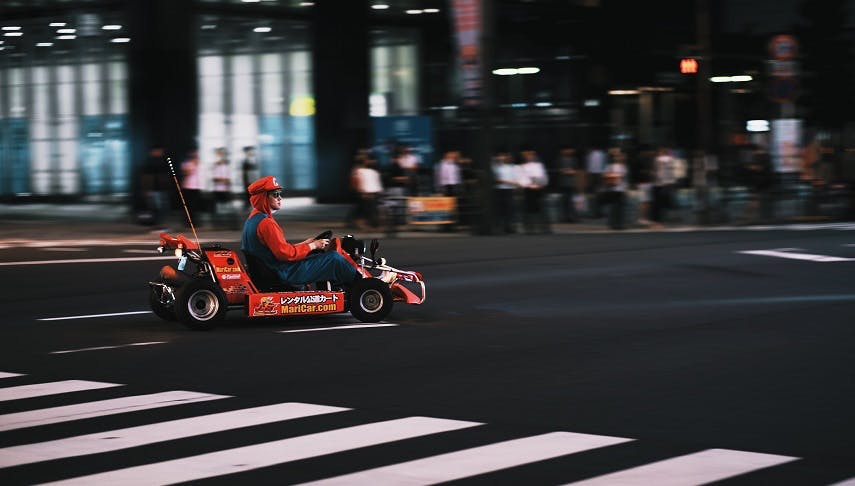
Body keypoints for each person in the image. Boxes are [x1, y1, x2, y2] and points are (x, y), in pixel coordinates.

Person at [241, 176, 361, 285]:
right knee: (334, 259)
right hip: (283, 272)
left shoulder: (253, 218)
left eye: (280, 193)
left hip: (271, 268)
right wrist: (313, 246)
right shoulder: (266, 224)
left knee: (318, 254)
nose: (280, 198)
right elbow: (285, 254)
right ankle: (361, 285)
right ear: (263, 198)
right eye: (275, 194)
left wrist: (306, 244)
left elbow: (278, 250)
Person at [518, 147, 551, 234]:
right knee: (528, 210)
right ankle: (529, 229)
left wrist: (539, 185)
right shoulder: (522, 166)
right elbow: (521, 179)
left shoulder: (539, 166)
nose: (530, 156)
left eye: (532, 155)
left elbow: (545, 178)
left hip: (539, 189)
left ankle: (545, 228)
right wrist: (529, 184)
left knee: (542, 209)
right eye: (528, 155)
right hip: (528, 190)